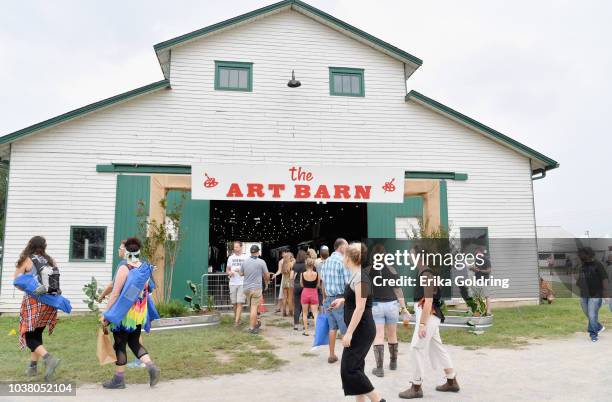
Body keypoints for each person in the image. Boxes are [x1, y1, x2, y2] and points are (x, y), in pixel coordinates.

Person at [399, 247, 459, 399]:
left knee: (415, 348)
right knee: (438, 347)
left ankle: (416, 386)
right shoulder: (423, 273)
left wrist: (422, 324)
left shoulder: (426, 274)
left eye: (411, 255)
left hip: (429, 315)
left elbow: (429, 301)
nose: (409, 258)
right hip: (429, 315)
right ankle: (452, 381)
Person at [101, 237, 160, 389]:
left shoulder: (124, 268)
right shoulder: (144, 267)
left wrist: (107, 314)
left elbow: (115, 294)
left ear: (127, 252)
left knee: (120, 345)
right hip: (138, 313)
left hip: (124, 314)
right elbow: (150, 288)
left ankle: (119, 379)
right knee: (134, 342)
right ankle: (151, 367)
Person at [330, 242, 386, 402]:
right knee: (357, 368)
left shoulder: (361, 278)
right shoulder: (355, 275)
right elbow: (356, 300)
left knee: (349, 369)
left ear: (349, 258)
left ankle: (378, 400)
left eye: (345, 254)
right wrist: (343, 300)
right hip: (359, 329)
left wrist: (348, 333)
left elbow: (360, 307)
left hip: (361, 330)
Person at [14, 236, 61, 380]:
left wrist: (31, 290)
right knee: (37, 333)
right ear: (44, 246)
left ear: (30, 245)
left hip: (34, 301)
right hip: (50, 301)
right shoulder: (50, 260)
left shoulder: (26, 260)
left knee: (29, 336)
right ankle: (33, 367)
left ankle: (49, 359)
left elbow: (16, 281)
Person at [366, 244, 409, 377]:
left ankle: (379, 369)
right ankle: (393, 363)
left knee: (378, 335)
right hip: (392, 306)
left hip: (376, 306)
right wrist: (403, 308)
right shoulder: (392, 270)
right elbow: (398, 290)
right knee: (392, 334)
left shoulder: (367, 271)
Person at [321, 238, 350, 363]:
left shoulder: (326, 262)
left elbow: (323, 282)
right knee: (344, 328)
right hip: (340, 299)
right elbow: (348, 282)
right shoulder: (343, 261)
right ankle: (348, 358)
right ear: (341, 247)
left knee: (332, 328)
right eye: (347, 246)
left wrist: (324, 298)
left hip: (328, 298)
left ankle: (331, 355)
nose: (348, 248)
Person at [576, 247, 608, 342]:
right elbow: (580, 280)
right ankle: (599, 326)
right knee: (588, 313)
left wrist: (606, 294)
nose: (580, 256)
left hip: (596, 294)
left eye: (582, 254)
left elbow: (604, 279)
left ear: (589, 254)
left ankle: (593, 334)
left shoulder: (598, 265)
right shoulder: (582, 266)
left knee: (592, 314)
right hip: (584, 294)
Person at [240, 244, 270, 334]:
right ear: (258, 252)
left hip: (246, 288)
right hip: (256, 288)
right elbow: (267, 274)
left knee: (252, 308)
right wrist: (267, 281)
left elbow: (241, 274)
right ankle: (252, 327)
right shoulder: (261, 262)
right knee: (254, 308)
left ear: (251, 252)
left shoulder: (245, 262)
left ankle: (256, 323)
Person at [226, 241, 246, 326]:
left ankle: (236, 322)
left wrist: (241, 271)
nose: (235, 249)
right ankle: (238, 319)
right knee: (234, 303)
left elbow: (248, 270)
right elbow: (227, 270)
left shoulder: (246, 257)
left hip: (242, 283)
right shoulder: (230, 258)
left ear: (241, 247)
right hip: (232, 283)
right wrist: (229, 273)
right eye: (234, 247)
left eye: (237, 247)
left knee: (239, 302)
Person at [300, 258, 320, 336]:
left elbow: (301, 284)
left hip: (305, 293)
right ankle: (316, 332)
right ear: (313, 265)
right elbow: (318, 285)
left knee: (305, 313)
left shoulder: (303, 274)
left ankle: (306, 331)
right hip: (314, 293)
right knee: (315, 313)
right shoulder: (317, 274)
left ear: (306, 265)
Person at [470, 247, 492, 316]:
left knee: (487, 296)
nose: (476, 253)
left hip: (485, 281)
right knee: (476, 297)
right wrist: (473, 269)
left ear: (481, 252)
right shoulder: (476, 260)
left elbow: (489, 270)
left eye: (477, 252)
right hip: (477, 280)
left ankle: (488, 311)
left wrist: (480, 270)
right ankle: (477, 312)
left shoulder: (486, 260)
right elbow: (471, 268)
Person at [272, 251, 294, 316]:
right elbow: (292, 275)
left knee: (284, 297)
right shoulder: (291, 264)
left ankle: (284, 312)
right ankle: (290, 312)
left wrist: (275, 274)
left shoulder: (283, 263)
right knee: (290, 298)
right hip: (290, 282)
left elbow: (279, 271)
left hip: (284, 281)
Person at [291, 249, 308, 331]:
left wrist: (293, 283)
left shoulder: (295, 265)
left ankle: (296, 325)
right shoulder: (306, 265)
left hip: (297, 286)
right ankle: (305, 325)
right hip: (305, 286)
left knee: (297, 305)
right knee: (304, 306)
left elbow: (291, 277)